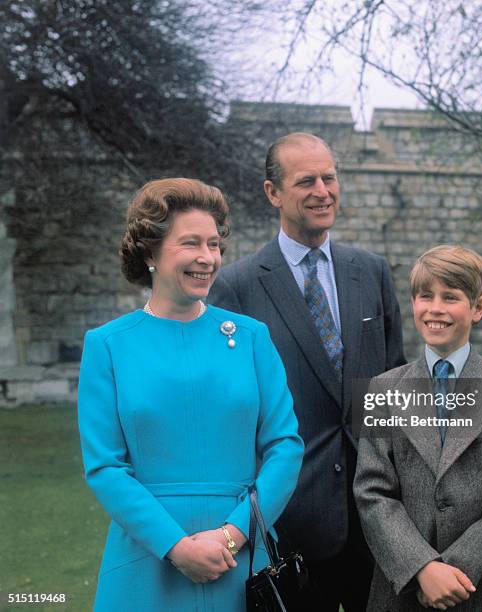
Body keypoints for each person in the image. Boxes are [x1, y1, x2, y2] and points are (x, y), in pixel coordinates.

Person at [77, 178, 304, 611]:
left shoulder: (253, 338)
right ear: (150, 252)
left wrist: (231, 535)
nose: (207, 258)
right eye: (191, 244)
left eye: (214, 244)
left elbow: (285, 447)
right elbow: (105, 465)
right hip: (147, 559)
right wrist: (175, 546)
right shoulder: (107, 345)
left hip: (242, 559)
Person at [208, 132, 406, 611]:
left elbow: (394, 380)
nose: (322, 190)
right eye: (306, 181)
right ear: (273, 193)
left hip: (379, 521)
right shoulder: (237, 287)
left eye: (329, 177)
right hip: (287, 532)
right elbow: (228, 414)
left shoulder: (372, 271)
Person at [354, 244, 482, 611]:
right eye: (425, 296)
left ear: (478, 307)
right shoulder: (381, 389)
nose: (436, 308)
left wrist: (455, 570)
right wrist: (422, 569)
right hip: (408, 589)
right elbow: (371, 491)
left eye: (451, 297)